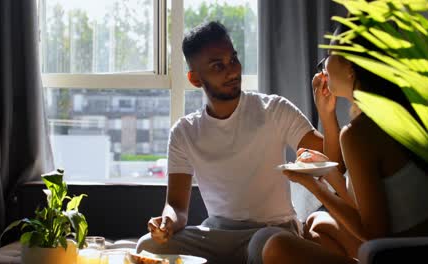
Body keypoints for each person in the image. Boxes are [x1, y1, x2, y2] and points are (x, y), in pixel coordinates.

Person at [136, 21, 344, 264]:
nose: (232, 71)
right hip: (216, 233)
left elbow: (333, 164)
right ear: (195, 78)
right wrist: (166, 223)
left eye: (233, 60)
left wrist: (327, 115)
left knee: (269, 244)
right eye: (218, 66)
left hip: (272, 231)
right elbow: (177, 207)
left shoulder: (274, 109)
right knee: (147, 246)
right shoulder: (184, 132)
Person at [262, 22, 428, 264]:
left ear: (351, 67)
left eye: (330, 54)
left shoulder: (360, 134)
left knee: (276, 247)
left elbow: (375, 233)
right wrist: (327, 170)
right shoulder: (410, 113)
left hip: (399, 255)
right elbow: (379, 203)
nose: (324, 65)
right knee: (319, 224)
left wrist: (313, 186)